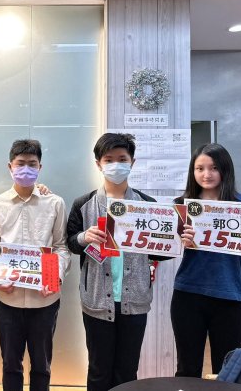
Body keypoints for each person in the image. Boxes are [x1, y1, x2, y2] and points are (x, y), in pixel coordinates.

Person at [67, 132, 156, 391]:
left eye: (122, 159)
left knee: (127, 370)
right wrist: (84, 237)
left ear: (132, 162)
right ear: (98, 164)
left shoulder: (148, 205)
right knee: (98, 369)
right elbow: (70, 242)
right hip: (96, 300)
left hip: (134, 301)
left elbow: (160, 252)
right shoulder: (83, 204)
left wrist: (177, 240)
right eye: (109, 159)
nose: (116, 165)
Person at [0, 139, 71, 391]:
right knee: (10, 364)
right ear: (10, 166)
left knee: (42, 365)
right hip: (7, 298)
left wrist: (54, 276)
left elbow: (61, 246)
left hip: (44, 299)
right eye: (20, 163)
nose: (26, 169)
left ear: (40, 167)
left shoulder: (54, 203)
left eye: (32, 164)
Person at [171, 143, 241, 377]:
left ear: (225, 169)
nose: (207, 174)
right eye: (200, 168)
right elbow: (163, 250)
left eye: (214, 167)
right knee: (187, 369)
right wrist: (180, 241)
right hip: (188, 295)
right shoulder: (181, 205)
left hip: (230, 297)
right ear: (192, 172)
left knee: (227, 373)